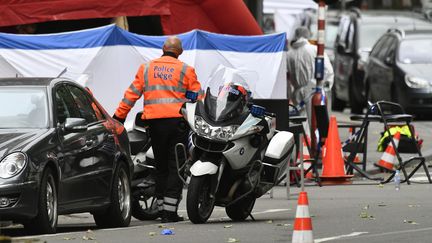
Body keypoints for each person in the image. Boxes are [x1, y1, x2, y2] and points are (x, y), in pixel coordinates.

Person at [113, 36, 202, 223]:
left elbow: (131, 95)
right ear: (181, 52)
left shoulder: (146, 68)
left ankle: (162, 210)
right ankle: (169, 213)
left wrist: (118, 117)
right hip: (177, 125)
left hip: (153, 125)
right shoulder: (187, 70)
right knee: (175, 167)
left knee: (160, 167)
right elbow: (198, 99)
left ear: (163, 48)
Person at [286, 26, 334, 137]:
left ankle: (303, 148)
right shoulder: (315, 50)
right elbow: (328, 70)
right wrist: (324, 88)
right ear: (307, 35)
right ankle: (314, 147)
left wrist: (289, 95)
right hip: (313, 90)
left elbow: (287, 77)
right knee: (315, 122)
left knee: (300, 122)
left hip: (297, 92)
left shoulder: (289, 54)